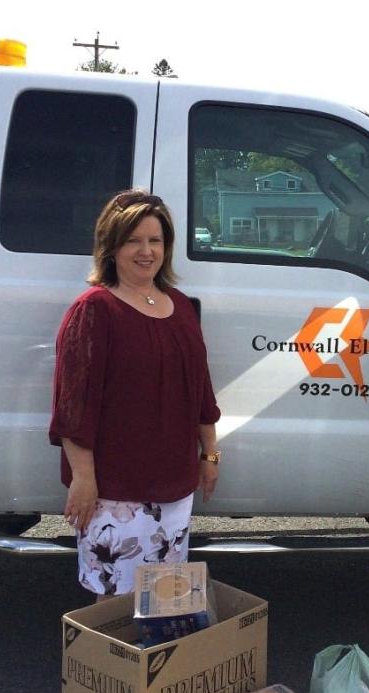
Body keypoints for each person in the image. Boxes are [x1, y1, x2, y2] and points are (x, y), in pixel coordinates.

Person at [49, 189, 221, 597]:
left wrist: (209, 454)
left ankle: (156, 661)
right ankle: (110, 662)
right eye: (133, 240)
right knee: (115, 604)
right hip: (115, 492)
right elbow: (73, 406)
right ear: (111, 247)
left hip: (175, 489)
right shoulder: (94, 309)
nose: (146, 251)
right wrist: (83, 479)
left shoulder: (178, 305)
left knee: (163, 600)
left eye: (155, 241)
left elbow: (200, 388)